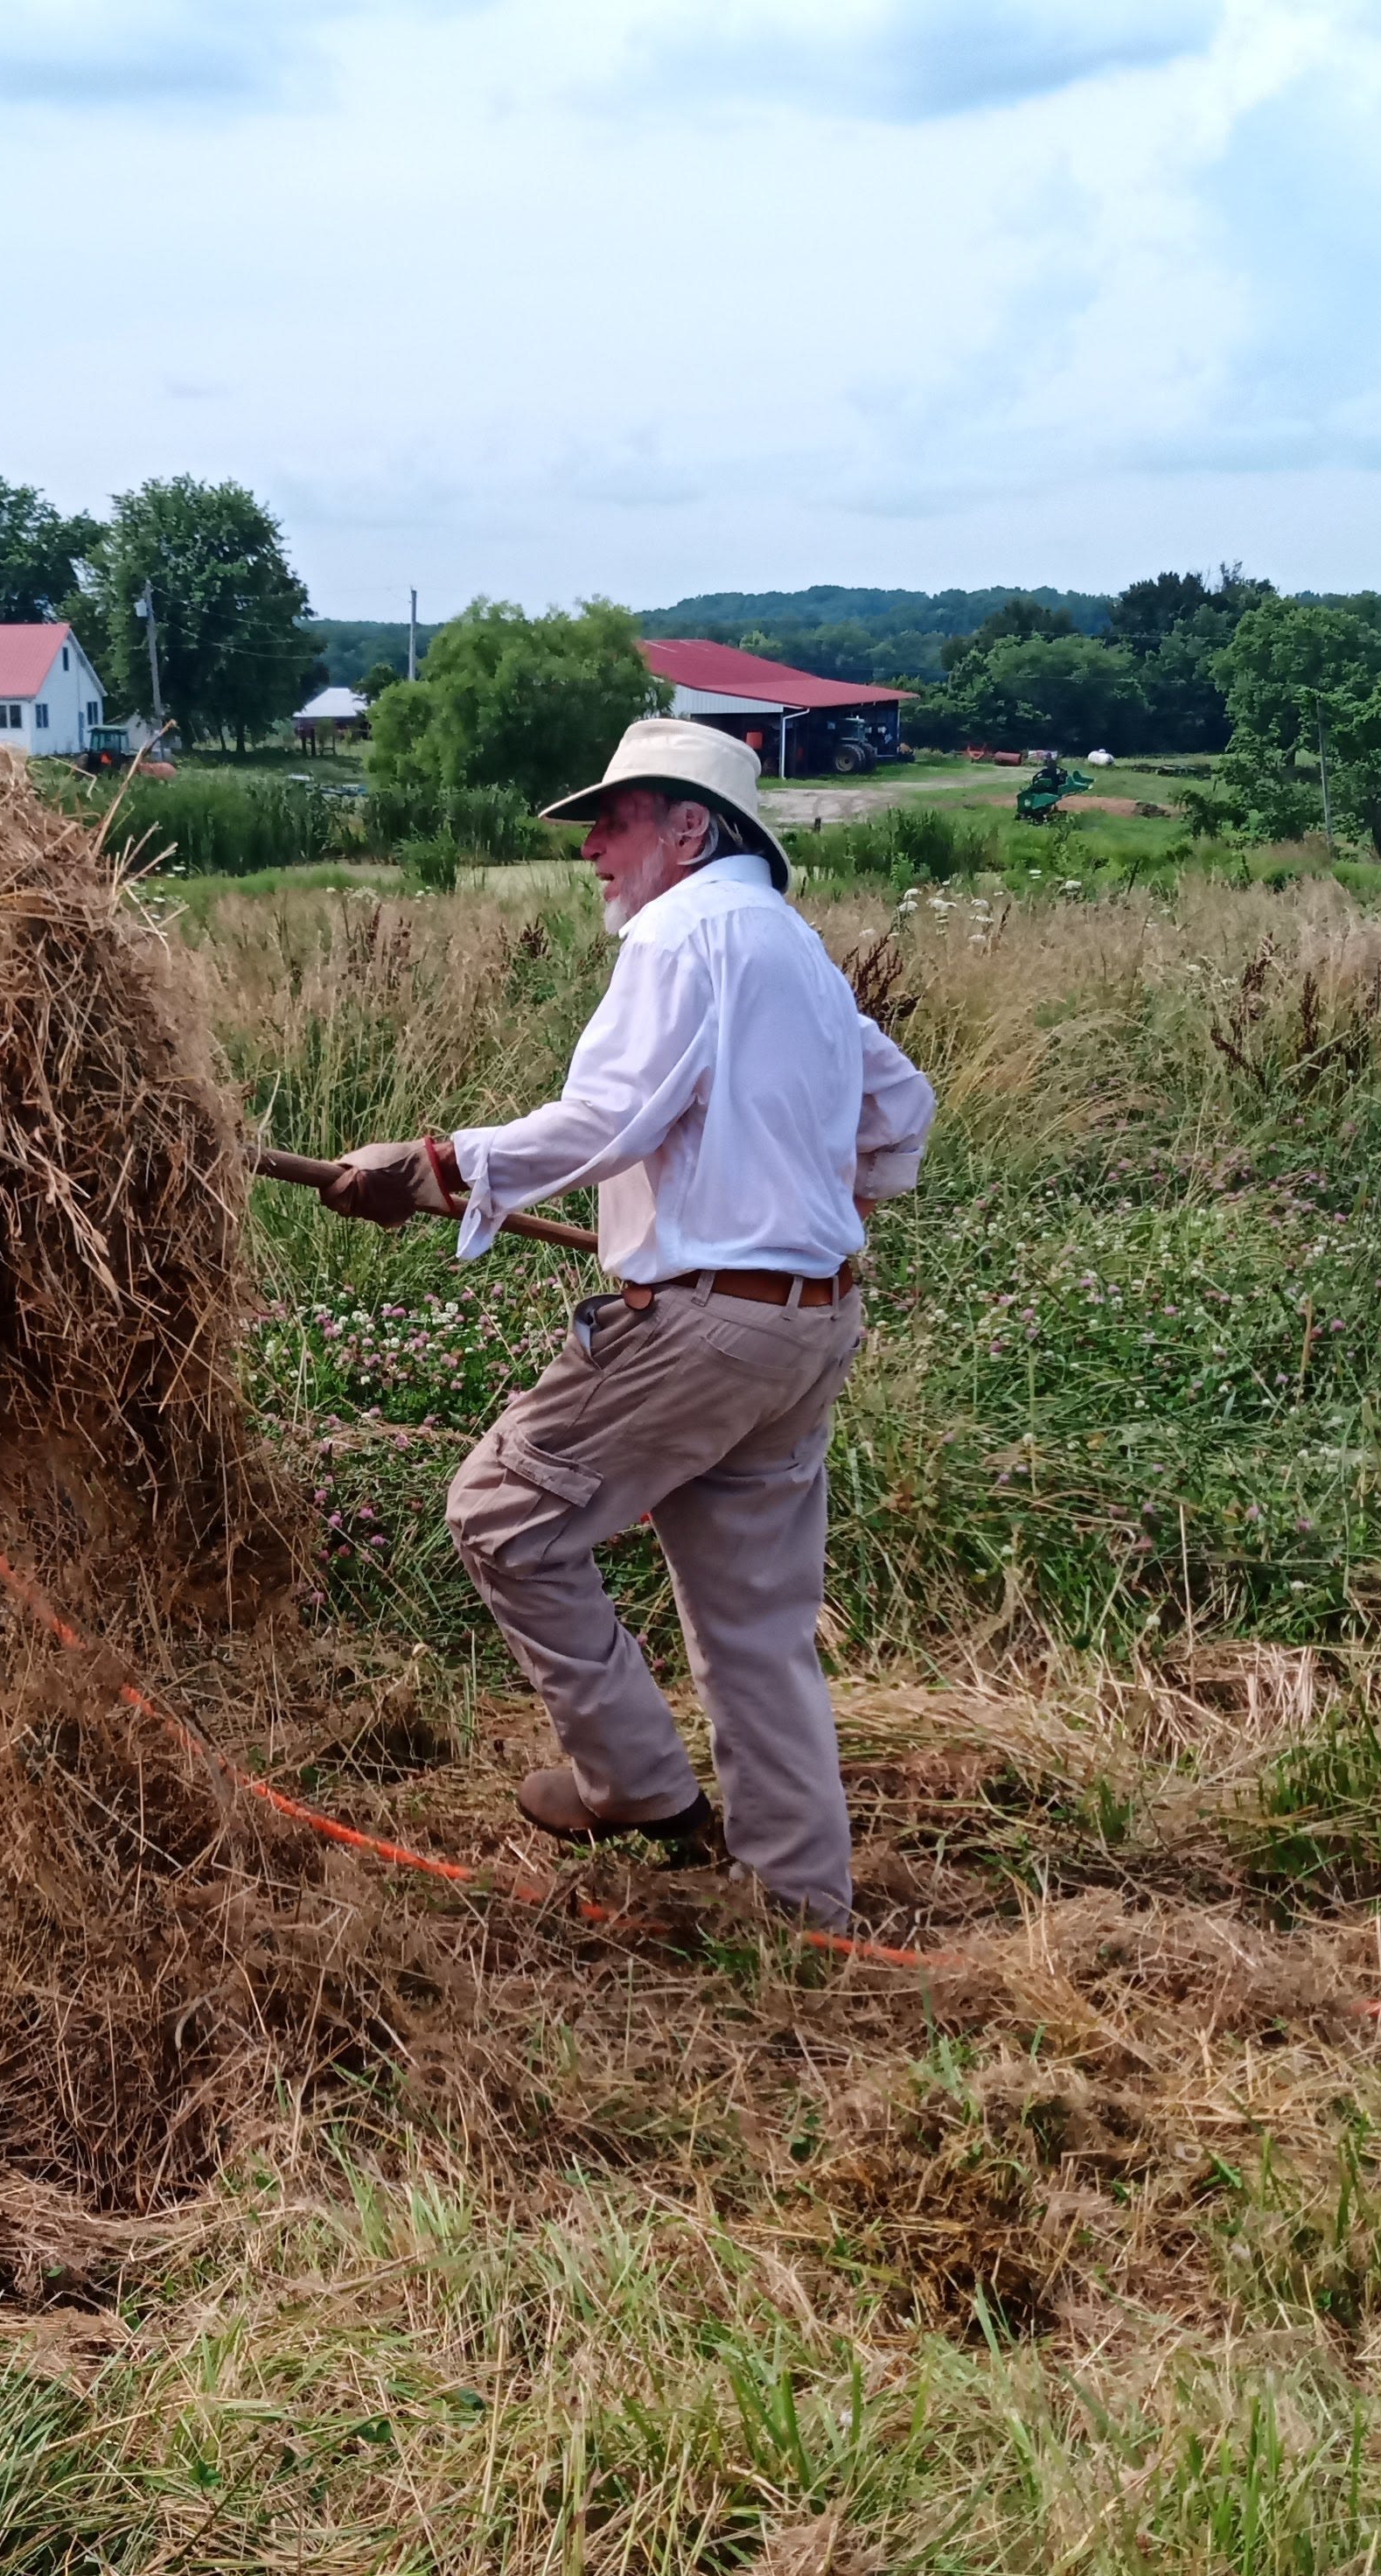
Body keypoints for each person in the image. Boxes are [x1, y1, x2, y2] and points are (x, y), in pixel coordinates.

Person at [317, 718, 934, 1926]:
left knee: (501, 1513)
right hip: (806, 1327)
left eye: (617, 818)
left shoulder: (684, 932)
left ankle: (636, 1789)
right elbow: (901, 1107)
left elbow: (609, 1116)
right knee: (757, 1628)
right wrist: (815, 1200)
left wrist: (438, 1166)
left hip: (702, 1331)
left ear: (690, 831)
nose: (593, 845)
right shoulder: (796, 952)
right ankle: (804, 1904)